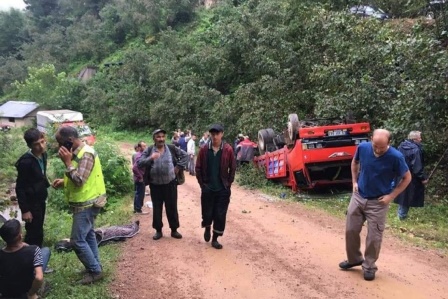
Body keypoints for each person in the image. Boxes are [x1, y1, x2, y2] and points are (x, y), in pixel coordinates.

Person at [339, 129, 411, 281]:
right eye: (375, 146)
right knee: (350, 230)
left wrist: (391, 196)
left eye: (382, 147)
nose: (378, 150)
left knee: (374, 237)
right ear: (371, 139)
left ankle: (369, 266)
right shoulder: (363, 148)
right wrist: (354, 182)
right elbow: (355, 162)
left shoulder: (396, 157)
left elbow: (407, 178)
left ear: (389, 143)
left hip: (378, 202)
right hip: (359, 196)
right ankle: (354, 259)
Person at [51, 126, 106, 285]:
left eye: (59, 142)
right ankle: (95, 265)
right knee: (88, 236)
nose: (58, 146)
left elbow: (80, 181)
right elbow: (81, 176)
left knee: (76, 240)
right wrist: (64, 181)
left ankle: (95, 271)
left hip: (87, 204)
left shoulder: (85, 154)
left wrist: (67, 163)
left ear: (69, 140)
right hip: (85, 202)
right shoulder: (77, 153)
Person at [137, 129, 188, 240]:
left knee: (172, 207)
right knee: (157, 208)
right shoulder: (149, 150)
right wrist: (151, 158)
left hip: (170, 184)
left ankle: (174, 230)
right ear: (154, 138)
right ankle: (158, 231)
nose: (161, 139)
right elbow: (139, 163)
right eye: (158, 137)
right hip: (155, 185)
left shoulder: (171, 148)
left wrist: (178, 167)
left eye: (162, 136)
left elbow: (185, 156)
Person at [195, 124, 236, 249]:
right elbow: (198, 168)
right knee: (207, 213)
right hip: (208, 188)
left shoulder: (228, 150)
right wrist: (203, 185)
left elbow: (233, 168)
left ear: (222, 134)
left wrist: (228, 184)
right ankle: (207, 227)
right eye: (212, 134)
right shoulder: (203, 149)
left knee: (220, 214)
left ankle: (215, 238)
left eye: (217, 134)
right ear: (210, 135)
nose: (214, 136)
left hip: (222, 189)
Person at [15, 128, 50, 250]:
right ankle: (31, 260)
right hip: (31, 203)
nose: (41, 146)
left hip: (40, 199)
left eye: (42, 142)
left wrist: (47, 183)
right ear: (30, 145)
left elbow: (40, 175)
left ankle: (35, 259)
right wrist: (25, 210)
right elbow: (20, 187)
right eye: (36, 144)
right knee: (33, 232)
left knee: (38, 229)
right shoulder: (26, 162)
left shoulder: (43, 155)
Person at [0, 219, 51, 299]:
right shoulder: (34, 250)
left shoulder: (2, 254)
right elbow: (39, 277)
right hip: (26, 291)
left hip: (7, 293)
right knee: (46, 251)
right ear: (20, 236)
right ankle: (36, 291)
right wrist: (31, 293)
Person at [394, 131, 428, 220]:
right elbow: (417, 167)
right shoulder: (416, 149)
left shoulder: (401, 146)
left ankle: (400, 216)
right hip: (411, 178)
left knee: (403, 196)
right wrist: (423, 178)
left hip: (401, 175)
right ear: (415, 139)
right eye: (420, 138)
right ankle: (401, 217)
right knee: (407, 197)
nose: (421, 139)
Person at [132, 142, 149, 214]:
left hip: (137, 177)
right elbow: (135, 167)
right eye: (144, 146)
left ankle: (136, 209)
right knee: (140, 194)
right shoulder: (140, 156)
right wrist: (140, 177)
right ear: (139, 148)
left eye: (146, 146)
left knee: (137, 193)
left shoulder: (138, 154)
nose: (146, 147)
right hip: (139, 178)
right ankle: (138, 210)